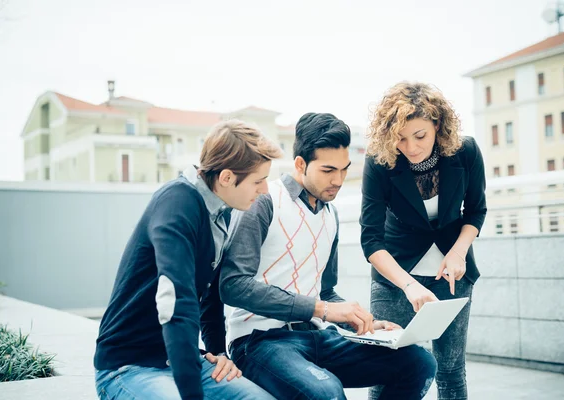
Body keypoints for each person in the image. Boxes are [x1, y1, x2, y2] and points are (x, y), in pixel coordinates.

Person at [220, 112, 437, 400]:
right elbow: (233, 285)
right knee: (326, 392)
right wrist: (322, 310)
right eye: (327, 170)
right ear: (300, 164)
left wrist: (360, 321)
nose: (338, 180)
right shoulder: (264, 202)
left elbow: (324, 293)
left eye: (344, 169)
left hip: (319, 335)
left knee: (418, 363)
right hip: (260, 340)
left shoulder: (330, 214)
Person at [94, 120, 281, 400]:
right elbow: (176, 303)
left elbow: (210, 294)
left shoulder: (222, 212)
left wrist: (218, 352)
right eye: (258, 180)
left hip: (183, 359)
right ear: (227, 177)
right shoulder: (176, 204)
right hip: (128, 366)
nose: (265, 190)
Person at [360, 82, 487, 400]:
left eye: (420, 136)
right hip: (396, 275)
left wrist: (459, 252)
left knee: (451, 371)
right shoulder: (380, 161)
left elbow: (476, 211)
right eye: (400, 138)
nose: (411, 147)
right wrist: (409, 286)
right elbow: (371, 240)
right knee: (384, 368)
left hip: (453, 276)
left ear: (437, 126)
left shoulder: (466, 151)